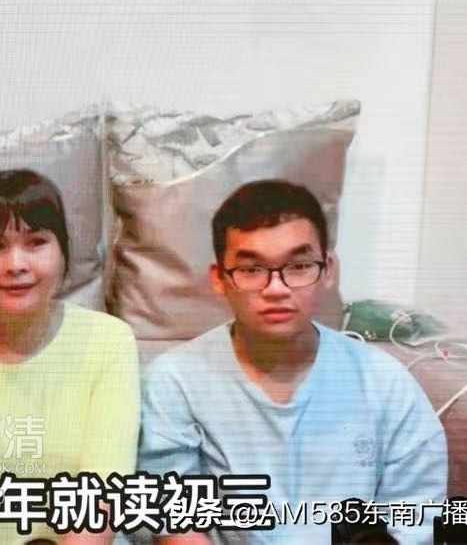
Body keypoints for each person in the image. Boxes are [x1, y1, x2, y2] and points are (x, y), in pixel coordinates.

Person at [137, 180, 447, 544]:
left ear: (328, 269)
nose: (276, 289)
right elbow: (175, 523)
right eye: (251, 269)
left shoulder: (385, 384)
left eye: (299, 266)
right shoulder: (175, 381)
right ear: (219, 279)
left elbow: (416, 519)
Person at [0, 170, 141, 544]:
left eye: (36, 242)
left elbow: (99, 500)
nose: (16, 264)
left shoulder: (109, 342)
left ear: (63, 253)